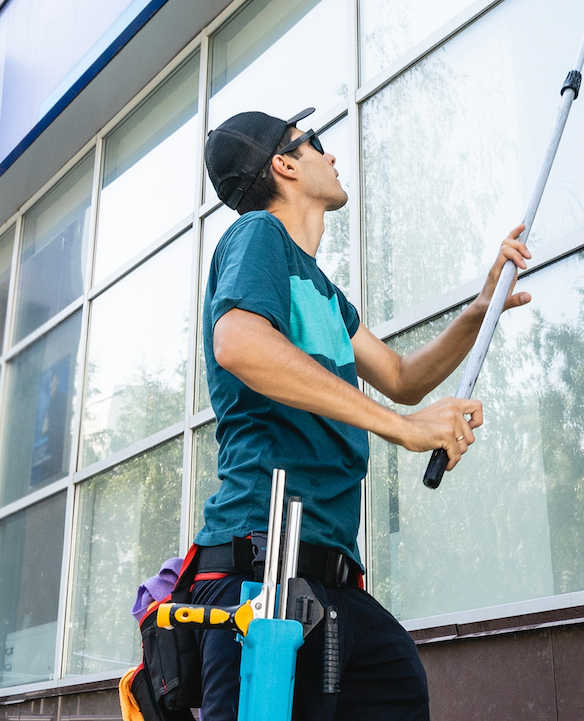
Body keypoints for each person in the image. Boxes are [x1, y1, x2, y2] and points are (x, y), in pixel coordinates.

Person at [192, 107, 532, 721]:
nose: (331, 153)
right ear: (284, 164)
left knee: (397, 684)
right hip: (262, 570)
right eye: (316, 142)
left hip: (332, 579)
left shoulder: (321, 291)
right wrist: (405, 429)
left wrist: (482, 307)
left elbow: (403, 378)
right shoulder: (257, 237)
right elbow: (238, 341)